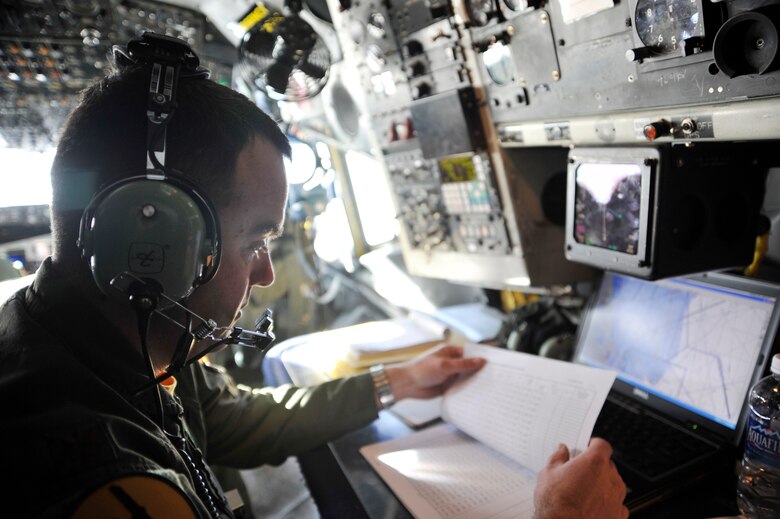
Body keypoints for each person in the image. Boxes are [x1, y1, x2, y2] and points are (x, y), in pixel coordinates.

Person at [0, 35, 627, 518]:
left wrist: (394, 382)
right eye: (255, 241)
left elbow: (232, 420)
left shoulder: (105, 341)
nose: (267, 272)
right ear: (154, 245)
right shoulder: (102, 481)